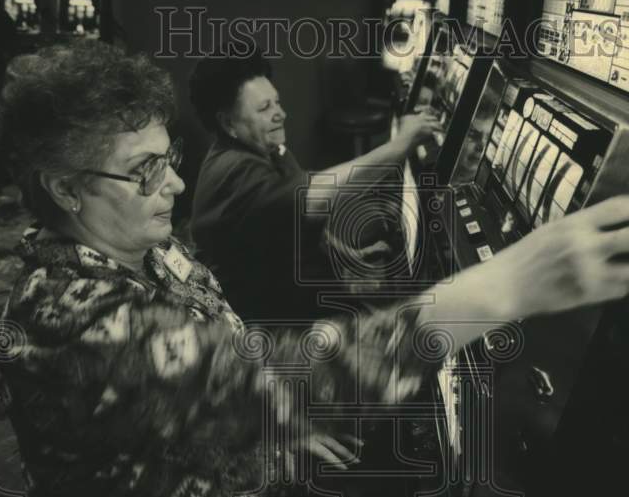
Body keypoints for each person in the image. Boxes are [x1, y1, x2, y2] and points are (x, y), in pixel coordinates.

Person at [0, 39, 629, 497]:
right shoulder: (65, 318)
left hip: (251, 456)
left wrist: (270, 418)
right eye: (143, 170)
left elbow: (227, 358)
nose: (173, 184)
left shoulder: (148, 243)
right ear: (65, 188)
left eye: (169, 159)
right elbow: (279, 372)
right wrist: (511, 283)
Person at [188, 51, 441, 324]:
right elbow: (313, 198)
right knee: (408, 324)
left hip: (296, 277)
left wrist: (348, 255)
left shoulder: (266, 147)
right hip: (265, 320)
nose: (281, 114)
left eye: (277, 102)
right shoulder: (234, 173)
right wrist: (401, 144)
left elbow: (297, 216)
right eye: (264, 109)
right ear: (228, 123)